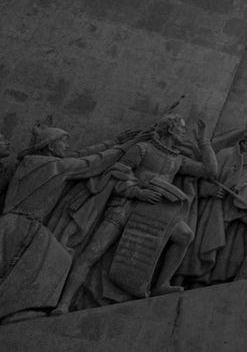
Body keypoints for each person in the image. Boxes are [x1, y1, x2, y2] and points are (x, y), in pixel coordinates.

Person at [54, 114, 217, 313]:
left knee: (185, 236)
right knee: (93, 252)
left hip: (156, 211)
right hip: (126, 204)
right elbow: (118, 172)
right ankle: (64, 302)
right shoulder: (142, 149)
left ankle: (161, 284)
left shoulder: (178, 160)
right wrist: (138, 191)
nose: (184, 132)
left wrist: (203, 141)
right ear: (171, 129)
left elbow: (210, 171)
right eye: (181, 128)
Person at [0, 126, 135, 322]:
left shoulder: (33, 162)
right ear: (51, 146)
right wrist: (128, 144)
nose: (67, 145)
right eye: (63, 141)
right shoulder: (50, 166)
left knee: (54, 259)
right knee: (48, 261)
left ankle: (17, 308)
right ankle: (14, 310)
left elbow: (79, 155)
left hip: (20, 223)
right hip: (21, 224)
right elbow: (90, 163)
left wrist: (115, 141)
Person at [183, 111, 247, 284]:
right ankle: (197, 275)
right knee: (209, 231)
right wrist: (208, 190)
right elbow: (201, 180)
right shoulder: (225, 155)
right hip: (222, 206)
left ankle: (246, 269)